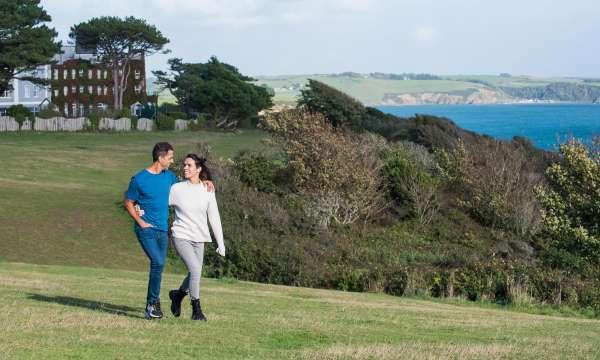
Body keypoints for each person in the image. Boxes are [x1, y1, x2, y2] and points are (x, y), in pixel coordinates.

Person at [165, 154, 225, 321]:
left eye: (189, 165)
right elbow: (160, 203)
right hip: (181, 235)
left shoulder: (207, 189)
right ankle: (196, 309)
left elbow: (214, 216)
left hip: (200, 237)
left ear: (198, 169)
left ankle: (178, 295)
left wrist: (221, 243)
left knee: (195, 273)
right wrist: (141, 209)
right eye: (184, 165)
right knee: (196, 270)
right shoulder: (176, 189)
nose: (185, 168)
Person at [124, 142, 177, 320]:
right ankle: (152, 304)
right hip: (145, 229)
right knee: (158, 262)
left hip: (162, 230)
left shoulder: (170, 177)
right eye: (170, 157)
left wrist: (205, 180)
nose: (172, 160)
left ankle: (153, 303)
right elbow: (128, 202)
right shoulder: (139, 179)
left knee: (159, 265)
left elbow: (183, 191)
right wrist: (140, 221)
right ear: (160, 158)